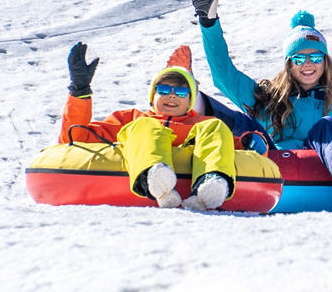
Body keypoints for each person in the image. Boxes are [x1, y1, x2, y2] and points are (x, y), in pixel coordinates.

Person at [189, 0, 332, 210]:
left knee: (327, 126)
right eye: (299, 58)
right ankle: (189, 99)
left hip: (323, 171)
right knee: (245, 122)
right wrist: (209, 24)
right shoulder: (269, 98)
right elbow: (225, 76)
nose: (308, 64)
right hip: (270, 161)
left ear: (325, 63)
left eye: (316, 57)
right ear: (289, 64)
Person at [58, 42, 238, 210]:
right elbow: (77, 137)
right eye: (164, 90)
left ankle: (211, 183)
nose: (172, 96)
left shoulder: (202, 125)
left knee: (216, 126)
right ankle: (155, 177)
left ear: (191, 100)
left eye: (181, 91)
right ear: (152, 96)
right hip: (146, 162)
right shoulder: (131, 119)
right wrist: (79, 92)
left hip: (202, 175)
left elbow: (225, 145)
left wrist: (251, 141)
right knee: (146, 125)